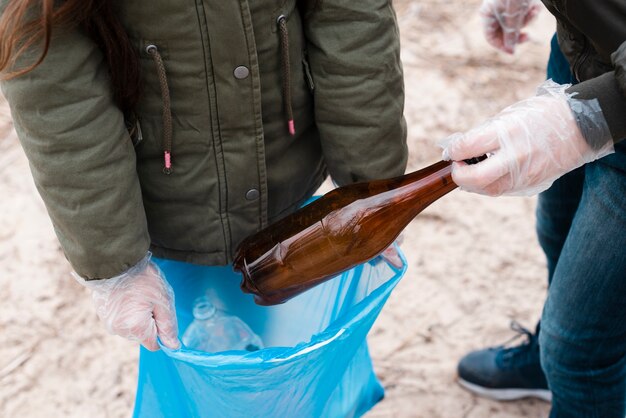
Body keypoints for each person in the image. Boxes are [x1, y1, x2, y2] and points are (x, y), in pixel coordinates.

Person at [0, 0, 407, 413]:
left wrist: (370, 185)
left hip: (284, 157)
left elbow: (351, 14)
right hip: (169, 189)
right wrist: (115, 264)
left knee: (274, 342)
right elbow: (51, 76)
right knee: (206, 355)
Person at [440, 0, 626, 416]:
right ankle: (552, 365)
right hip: (584, 52)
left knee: (580, 349)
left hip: (617, 96)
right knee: (558, 222)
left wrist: (592, 118)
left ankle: (582, 369)